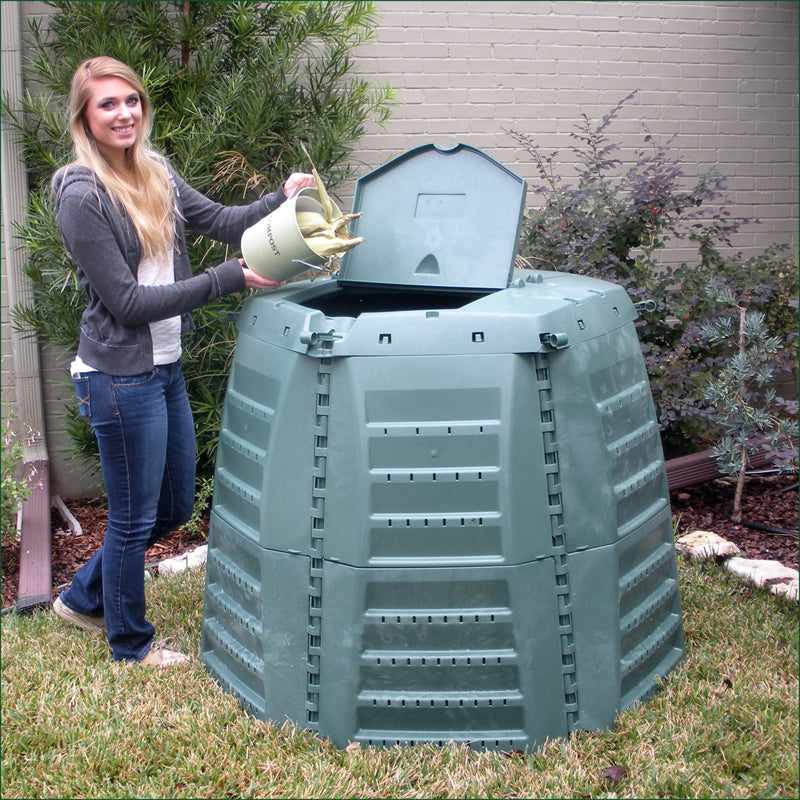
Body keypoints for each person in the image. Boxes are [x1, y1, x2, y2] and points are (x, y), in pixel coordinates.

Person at [50, 56, 316, 666]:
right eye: (107, 105)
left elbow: (221, 222)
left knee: (171, 507)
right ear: (85, 119)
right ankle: (130, 645)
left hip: (161, 368)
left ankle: (82, 597)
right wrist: (228, 279)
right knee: (132, 516)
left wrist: (281, 198)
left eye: (131, 101)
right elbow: (127, 301)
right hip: (117, 377)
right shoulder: (82, 193)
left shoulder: (155, 172)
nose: (124, 113)